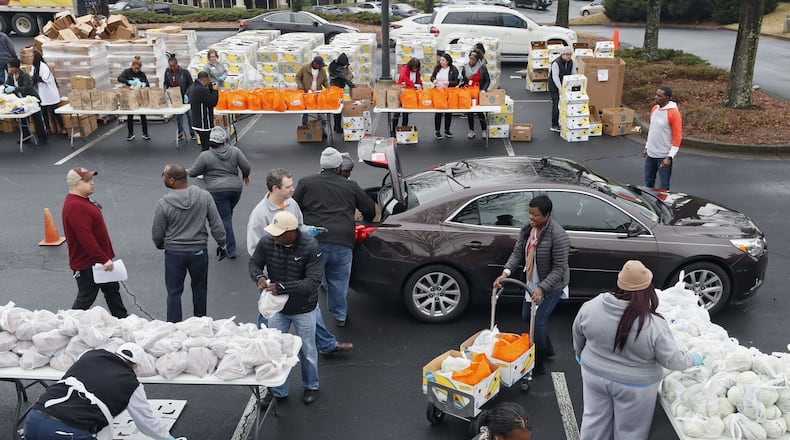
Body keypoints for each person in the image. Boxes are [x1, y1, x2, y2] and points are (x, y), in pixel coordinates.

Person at [572, 260, 703, 440]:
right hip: (635, 386)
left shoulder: (592, 305)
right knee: (629, 432)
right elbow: (672, 360)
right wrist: (692, 359)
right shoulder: (653, 324)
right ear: (647, 289)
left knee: (594, 421)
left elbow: (578, 333)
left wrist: (580, 354)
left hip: (593, 374)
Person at [246, 168, 353, 355]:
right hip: (276, 273)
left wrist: (311, 230)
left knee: (309, 308)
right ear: (274, 188)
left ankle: (326, 344)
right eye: (288, 187)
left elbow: (300, 226)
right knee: (269, 311)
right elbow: (255, 248)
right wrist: (261, 276)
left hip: (297, 268)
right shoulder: (259, 214)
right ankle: (260, 349)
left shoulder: (291, 204)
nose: (293, 189)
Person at [23, 343, 179, 440]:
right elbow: (146, 422)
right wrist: (167, 438)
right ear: (135, 365)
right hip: (65, 432)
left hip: (33, 420)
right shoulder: (132, 384)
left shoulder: (90, 355)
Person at [293, 147, 375, 327]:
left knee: (310, 279)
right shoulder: (350, 186)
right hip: (342, 241)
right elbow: (369, 208)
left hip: (313, 240)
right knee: (338, 280)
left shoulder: (306, 183)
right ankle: (340, 315)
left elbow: (293, 208)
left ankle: (309, 313)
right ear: (339, 167)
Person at [249, 211, 323, 405]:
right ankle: (277, 391)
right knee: (274, 349)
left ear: (291, 232)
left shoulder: (311, 246)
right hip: (278, 309)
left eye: (278, 234)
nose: (274, 237)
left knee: (307, 350)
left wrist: (282, 287)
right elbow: (254, 263)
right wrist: (258, 277)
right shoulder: (267, 242)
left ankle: (311, 386)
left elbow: (313, 281)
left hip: (304, 308)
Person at [493, 194, 569, 376]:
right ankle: (548, 348)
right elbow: (517, 254)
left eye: (535, 215)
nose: (531, 218)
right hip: (531, 283)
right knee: (527, 317)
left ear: (547, 215)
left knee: (538, 322)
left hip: (551, 286)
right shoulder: (528, 230)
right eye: (529, 214)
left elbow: (559, 268)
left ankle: (539, 361)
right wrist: (505, 273)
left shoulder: (558, 236)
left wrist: (542, 288)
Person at [152, 163, 227, 323]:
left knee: (174, 292)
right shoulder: (204, 196)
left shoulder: (163, 204)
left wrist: (161, 245)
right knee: (200, 289)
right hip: (198, 251)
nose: (162, 177)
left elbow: (157, 232)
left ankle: (173, 327)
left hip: (174, 253)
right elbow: (216, 223)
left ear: (172, 180)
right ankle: (200, 325)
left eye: (163, 175)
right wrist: (222, 243)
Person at [62, 167, 129, 319]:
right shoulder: (75, 206)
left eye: (91, 180)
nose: (92, 183)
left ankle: (122, 320)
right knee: (85, 299)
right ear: (75, 185)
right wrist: (103, 259)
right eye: (87, 181)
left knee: (112, 291)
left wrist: (104, 258)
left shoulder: (81, 201)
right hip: (89, 265)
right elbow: (85, 238)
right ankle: (67, 324)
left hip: (98, 262)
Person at [187, 126, 251, 259]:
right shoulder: (235, 151)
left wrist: (183, 170)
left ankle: (230, 248)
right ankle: (228, 239)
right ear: (225, 140)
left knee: (224, 219)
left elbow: (193, 172)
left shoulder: (206, 155)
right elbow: (246, 166)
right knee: (227, 214)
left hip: (216, 191)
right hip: (235, 189)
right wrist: (245, 175)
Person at [643, 85, 683, 190]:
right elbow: (652, 130)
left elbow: (677, 137)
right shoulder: (654, 109)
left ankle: (663, 205)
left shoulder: (673, 113)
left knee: (663, 186)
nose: (656, 97)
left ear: (667, 98)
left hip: (663, 156)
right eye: (656, 95)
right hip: (651, 154)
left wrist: (669, 157)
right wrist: (647, 147)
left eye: (659, 96)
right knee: (648, 182)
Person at [5, 58, 48, 144]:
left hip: (31, 100)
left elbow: (27, 88)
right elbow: (7, 84)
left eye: (11, 67)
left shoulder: (25, 75)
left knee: (37, 118)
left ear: (16, 67)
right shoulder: (10, 76)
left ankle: (42, 138)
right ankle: (26, 137)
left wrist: (15, 89)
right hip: (21, 100)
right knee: (23, 119)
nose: (9, 69)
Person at [32, 51, 66, 136]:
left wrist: (35, 78)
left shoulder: (43, 67)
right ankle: (47, 128)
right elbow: (32, 77)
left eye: (32, 57)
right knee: (44, 111)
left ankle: (62, 127)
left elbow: (44, 79)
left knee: (54, 111)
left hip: (49, 93)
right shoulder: (34, 67)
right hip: (42, 93)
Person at [163, 53, 196, 141]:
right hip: (175, 96)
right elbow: (166, 83)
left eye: (173, 66)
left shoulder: (184, 72)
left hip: (185, 95)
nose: (172, 68)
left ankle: (192, 133)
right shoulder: (167, 72)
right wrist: (166, 91)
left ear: (177, 64)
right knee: (178, 116)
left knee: (189, 115)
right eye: (171, 66)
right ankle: (180, 132)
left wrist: (187, 94)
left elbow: (191, 84)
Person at [117, 56, 150, 141]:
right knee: (130, 115)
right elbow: (119, 78)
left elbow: (147, 83)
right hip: (130, 96)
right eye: (135, 69)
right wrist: (128, 81)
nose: (136, 71)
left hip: (139, 97)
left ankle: (145, 133)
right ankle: (130, 134)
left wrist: (144, 84)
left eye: (138, 69)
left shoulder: (142, 74)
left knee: (143, 115)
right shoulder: (127, 72)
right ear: (132, 66)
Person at [295, 56, 330, 138]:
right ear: (314, 63)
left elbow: (325, 81)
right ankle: (305, 128)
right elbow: (298, 77)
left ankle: (323, 130)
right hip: (306, 94)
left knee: (321, 113)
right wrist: (301, 87)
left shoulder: (322, 71)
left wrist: (329, 88)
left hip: (317, 94)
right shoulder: (305, 68)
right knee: (305, 112)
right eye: (319, 65)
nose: (320, 67)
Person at [461, 51, 491, 140]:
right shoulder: (465, 67)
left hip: (479, 93)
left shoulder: (482, 68)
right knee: (470, 112)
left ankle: (484, 130)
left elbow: (487, 80)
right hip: (469, 92)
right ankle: (471, 130)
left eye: (473, 59)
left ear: (477, 60)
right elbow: (463, 80)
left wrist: (483, 90)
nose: (471, 61)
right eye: (470, 58)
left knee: (480, 112)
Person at [431, 53, 459, 140]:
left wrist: (449, 83)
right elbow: (432, 77)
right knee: (438, 111)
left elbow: (457, 81)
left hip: (449, 92)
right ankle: (437, 131)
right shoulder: (437, 68)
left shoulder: (453, 69)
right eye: (441, 60)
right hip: (438, 92)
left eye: (443, 60)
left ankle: (447, 130)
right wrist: (434, 80)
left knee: (448, 111)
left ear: (448, 61)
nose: (441, 61)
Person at [188, 71, 219, 151]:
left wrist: (210, 89)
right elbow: (213, 102)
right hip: (203, 123)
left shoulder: (193, 87)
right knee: (206, 146)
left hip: (197, 121)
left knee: (204, 144)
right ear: (205, 80)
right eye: (209, 80)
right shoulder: (200, 90)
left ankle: (206, 159)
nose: (209, 82)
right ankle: (206, 161)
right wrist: (215, 91)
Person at [548, 46, 577, 133]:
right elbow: (555, 76)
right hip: (554, 86)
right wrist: (559, 88)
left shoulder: (571, 62)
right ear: (562, 54)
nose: (569, 56)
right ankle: (554, 125)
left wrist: (574, 84)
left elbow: (573, 73)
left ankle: (565, 123)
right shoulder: (556, 63)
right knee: (556, 104)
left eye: (570, 54)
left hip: (566, 85)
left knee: (565, 105)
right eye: (567, 54)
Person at [392, 58, 422, 137]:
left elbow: (418, 80)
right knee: (397, 113)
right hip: (401, 92)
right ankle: (393, 131)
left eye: (416, 68)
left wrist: (419, 86)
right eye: (414, 68)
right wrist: (413, 84)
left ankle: (403, 130)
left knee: (406, 113)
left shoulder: (417, 72)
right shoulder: (405, 69)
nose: (415, 70)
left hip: (409, 94)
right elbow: (403, 77)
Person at [328, 53, 355, 134]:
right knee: (337, 109)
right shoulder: (338, 69)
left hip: (335, 89)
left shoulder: (333, 65)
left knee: (337, 109)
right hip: (336, 90)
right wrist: (353, 87)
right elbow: (345, 78)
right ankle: (337, 127)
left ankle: (337, 126)